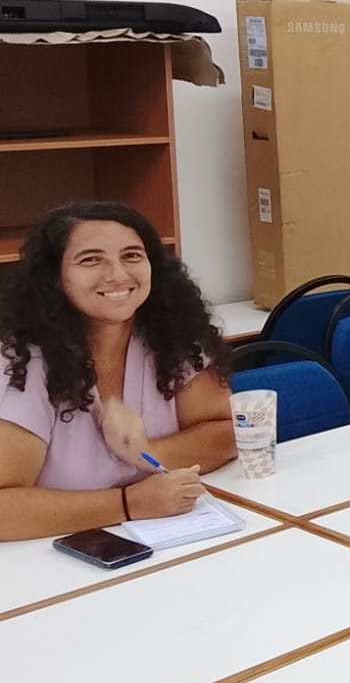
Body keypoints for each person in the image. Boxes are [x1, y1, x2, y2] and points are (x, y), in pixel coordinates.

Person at [0, 202, 235, 542]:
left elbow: (226, 433)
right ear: (54, 277)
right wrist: (129, 503)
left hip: (169, 538)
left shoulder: (173, 336)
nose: (117, 274)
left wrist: (146, 452)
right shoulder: (23, 363)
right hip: (53, 553)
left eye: (132, 256)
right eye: (90, 259)